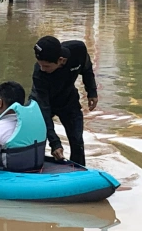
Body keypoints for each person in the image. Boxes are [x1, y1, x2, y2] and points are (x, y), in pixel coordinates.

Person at [30, 35, 98, 166]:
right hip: (42, 102)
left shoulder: (78, 50)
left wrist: (92, 92)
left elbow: (87, 69)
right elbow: (44, 109)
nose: (42, 69)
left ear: (61, 60)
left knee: (77, 141)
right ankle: (34, 167)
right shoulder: (39, 74)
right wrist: (55, 143)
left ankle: (79, 172)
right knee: (35, 137)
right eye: (40, 64)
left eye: (46, 66)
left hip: (68, 100)